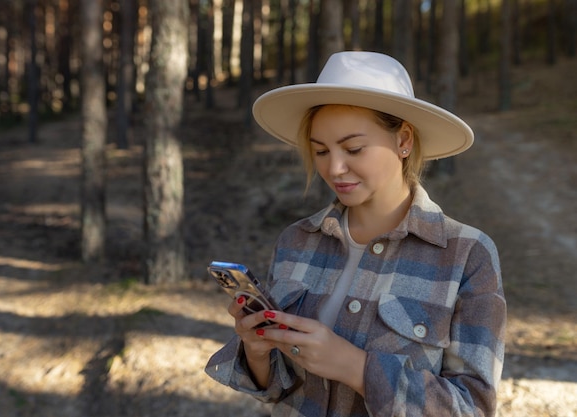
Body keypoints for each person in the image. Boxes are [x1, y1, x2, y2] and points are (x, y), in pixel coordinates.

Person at [205, 51, 506, 417]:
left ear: (404, 141)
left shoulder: (466, 255)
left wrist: (355, 367)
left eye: (353, 148)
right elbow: (276, 390)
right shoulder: (295, 241)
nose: (334, 168)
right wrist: (256, 350)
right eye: (320, 150)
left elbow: (472, 408)